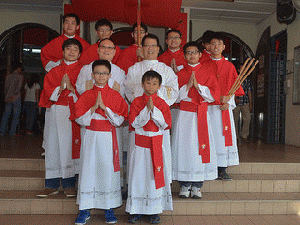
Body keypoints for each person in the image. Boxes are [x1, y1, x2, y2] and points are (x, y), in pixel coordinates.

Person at [74, 60, 128, 224]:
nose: (101, 76)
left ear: (110, 75)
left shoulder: (115, 95)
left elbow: (119, 120)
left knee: (107, 170)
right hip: (91, 137)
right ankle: (84, 209)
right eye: (97, 73)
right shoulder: (86, 94)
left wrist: (105, 108)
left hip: (108, 138)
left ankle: (109, 208)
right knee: (88, 170)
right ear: (92, 75)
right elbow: (79, 118)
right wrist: (92, 108)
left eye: (104, 73)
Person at [171, 42, 219, 199]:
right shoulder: (179, 74)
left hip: (201, 116)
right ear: (184, 56)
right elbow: (172, 97)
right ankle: (184, 184)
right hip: (184, 115)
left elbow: (214, 95)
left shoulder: (207, 72)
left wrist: (199, 87)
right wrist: (186, 87)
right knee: (184, 148)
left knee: (200, 149)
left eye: (195, 52)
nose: (192, 55)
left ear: (200, 54)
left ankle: (197, 185)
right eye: (189, 52)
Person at [37, 38, 83, 198]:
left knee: (70, 147)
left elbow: (85, 93)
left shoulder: (83, 71)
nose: (71, 51)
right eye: (68, 48)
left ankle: (70, 184)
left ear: (80, 53)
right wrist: (62, 88)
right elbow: (48, 91)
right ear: (63, 52)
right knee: (53, 145)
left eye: (75, 49)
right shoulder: (54, 71)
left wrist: (72, 88)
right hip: (56, 111)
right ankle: (51, 184)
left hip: (74, 114)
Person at [126, 70, 172, 224]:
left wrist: (154, 110)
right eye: (148, 82)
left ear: (159, 86)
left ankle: (154, 210)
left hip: (157, 146)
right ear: (142, 84)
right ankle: (136, 209)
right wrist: (146, 110)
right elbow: (133, 123)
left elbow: (166, 124)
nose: (151, 86)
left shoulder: (163, 103)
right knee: (138, 177)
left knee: (154, 178)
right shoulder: (136, 102)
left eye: (154, 83)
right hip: (140, 147)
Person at [207, 32, 245, 181]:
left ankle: (222, 169)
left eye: (219, 44)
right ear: (208, 47)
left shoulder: (229, 66)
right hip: (209, 109)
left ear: (223, 47)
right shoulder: (203, 66)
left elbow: (235, 88)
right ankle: (208, 167)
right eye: (213, 43)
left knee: (223, 137)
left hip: (224, 109)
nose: (215, 46)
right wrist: (216, 99)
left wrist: (227, 101)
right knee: (208, 137)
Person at [0, 62, 24, 136]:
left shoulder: (8, 76)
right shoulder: (20, 77)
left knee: (6, 115)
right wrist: (13, 96)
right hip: (16, 98)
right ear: (19, 68)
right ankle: (12, 132)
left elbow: (6, 88)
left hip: (7, 97)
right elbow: (18, 88)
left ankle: (2, 131)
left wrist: (7, 96)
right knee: (15, 116)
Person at [233, 77, 253, 143]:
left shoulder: (247, 80)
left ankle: (244, 135)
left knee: (247, 118)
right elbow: (232, 90)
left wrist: (250, 103)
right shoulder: (234, 78)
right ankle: (235, 137)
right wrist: (234, 99)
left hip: (245, 102)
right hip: (236, 103)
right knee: (234, 120)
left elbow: (249, 91)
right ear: (238, 70)